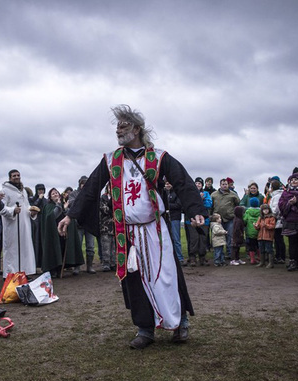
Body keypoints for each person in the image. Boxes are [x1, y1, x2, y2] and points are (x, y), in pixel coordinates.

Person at [57, 105, 207, 349]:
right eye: (117, 125)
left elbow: (183, 182)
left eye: (124, 124)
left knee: (166, 276)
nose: (119, 129)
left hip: (156, 231)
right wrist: (70, 215)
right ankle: (145, 329)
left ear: (137, 129)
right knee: (135, 278)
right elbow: (91, 188)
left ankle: (180, 324)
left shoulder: (159, 157)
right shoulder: (110, 159)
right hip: (127, 233)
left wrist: (196, 211)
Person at [0, 169, 37, 277]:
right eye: (14, 175)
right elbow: (1, 208)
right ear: (10, 178)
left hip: (25, 224)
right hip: (12, 225)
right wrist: (12, 211)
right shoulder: (4, 191)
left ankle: (24, 273)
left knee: (25, 249)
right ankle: (10, 274)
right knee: (12, 250)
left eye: (18, 175)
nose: (16, 177)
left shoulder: (23, 190)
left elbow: (26, 205)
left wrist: (32, 211)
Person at [40, 188, 84, 277]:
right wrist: (59, 206)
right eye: (53, 194)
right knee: (53, 250)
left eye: (56, 193)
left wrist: (65, 208)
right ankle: (52, 270)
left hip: (62, 232)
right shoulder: (48, 206)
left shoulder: (64, 204)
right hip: (52, 234)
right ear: (50, 197)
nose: (55, 194)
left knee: (62, 249)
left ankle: (60, 268)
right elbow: (51, 216)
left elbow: (67, 216)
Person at [68, 176, 97, 274]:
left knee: (90, 246)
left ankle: (89, 266)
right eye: (82, 183)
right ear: (79, 184)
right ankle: (77, 267)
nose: (84, 185)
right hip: (78, 224)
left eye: (86, 183)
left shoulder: (92, 193)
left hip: (89, 223)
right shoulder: (73, 194)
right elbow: (72, 204)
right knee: (78, 246)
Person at [185, 177, 211, 266]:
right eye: (196, 183)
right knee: (194, 239)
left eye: (199, 183)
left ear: (202, 185)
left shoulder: (206, 194)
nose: (197, 185)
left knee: (203, 239)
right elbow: (187, 204)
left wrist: (202, 199)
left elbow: (209, 204)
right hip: (192, 220)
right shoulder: (189, 193)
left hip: (204, 220)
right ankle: (192, 257)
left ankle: (202, 257)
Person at [211, 178, 240, 259]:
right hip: (217, 220)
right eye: (223, 184)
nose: (224, 185)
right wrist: (211, 217)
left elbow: (238, 204)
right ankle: (219, 255)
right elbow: (210, 207)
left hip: (230, 218)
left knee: (230, 237)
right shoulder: (214, 195)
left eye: (226, 184)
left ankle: (230, 254)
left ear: (228, 185)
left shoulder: (233, 194)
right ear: (220, 185)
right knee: (218, 237)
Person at [164, 180, 185, 266]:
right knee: (166, 239)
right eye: (166, 183)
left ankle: (179, 258)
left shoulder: (176, 193)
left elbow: (178, 205)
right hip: (165, 219)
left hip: (175, 218)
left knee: (176, 239)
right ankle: (169, 258)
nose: (168, 185)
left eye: (169, 183)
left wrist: (167, 205)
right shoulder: (163, 193)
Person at [268, 180, 286, 264]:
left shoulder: (277, 196)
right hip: (277, 220)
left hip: (277, 220)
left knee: (279, 239)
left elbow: (276, 208)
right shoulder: (277, 195)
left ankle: (280, 256)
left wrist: (271, 216)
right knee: (278, 239)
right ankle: (279, 256)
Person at [100, 184, 117, 272]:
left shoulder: (117, 197)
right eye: (110, 187)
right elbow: (104, 209)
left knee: (114, 246)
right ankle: (106, 264)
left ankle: (113, 263)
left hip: (115, 226)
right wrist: (112, 209)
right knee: (106, 246)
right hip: (105, 226)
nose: (111, 189)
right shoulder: (103, 198)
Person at [255, 204, 276, 269]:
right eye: (264, 210)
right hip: (261, 236)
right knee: (261, 249)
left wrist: (266, 225)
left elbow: (272, 226)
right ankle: (262, 262)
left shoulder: (272, 217)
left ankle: (271, 263)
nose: (266, 211)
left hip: (268, 237)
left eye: (267, 209)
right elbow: (258, 226)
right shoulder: (260, 218)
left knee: (269, 249)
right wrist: (256, 226)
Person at [243, 197, 261, 264]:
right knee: (259, 245)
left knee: (251, 246)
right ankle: (260, 257)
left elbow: (244, 220)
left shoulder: (248, 212)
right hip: (259, 231)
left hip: (250, 232)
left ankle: (252, 259)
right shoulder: (260, 212)